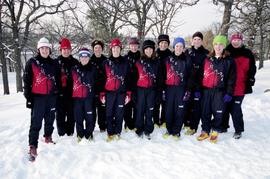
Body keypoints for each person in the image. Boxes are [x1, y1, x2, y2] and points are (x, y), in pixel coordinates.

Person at [23, 37, 60, 161]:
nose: (44, 50)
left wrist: (57, 92)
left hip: (51, 97)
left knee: (50, 119)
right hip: (37, 97)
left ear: (49, 49)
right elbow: (27, 82)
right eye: (42, 48)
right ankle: (33, 146)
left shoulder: (54, 63)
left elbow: (58, 80)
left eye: (46, 48)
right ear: (38, 49)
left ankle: (48, 136)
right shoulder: (32, 62)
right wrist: (28, 98)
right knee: (36, 122)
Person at [197, 35, 236, 143]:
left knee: (218, 112)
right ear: (213, 45)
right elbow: (200, 75)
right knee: (205, 111)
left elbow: (231, 79)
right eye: (216, 44)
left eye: (221, 44)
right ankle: (205, 130)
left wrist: (229, 92)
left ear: (224, 46)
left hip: (220, 91)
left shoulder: (229, 61)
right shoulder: (207, 59)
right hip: (206, 90)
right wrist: (198, 89)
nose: (218, 47)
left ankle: (215, 130)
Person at [221, 32, 257, 139]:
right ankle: (223, 126)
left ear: (241, 41)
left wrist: (251, 78)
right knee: (224, 107)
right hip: (227, 86)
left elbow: (252, 68)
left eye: (238, 40)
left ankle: (238, 130)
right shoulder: (226, 52)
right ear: (231, 41)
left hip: (240, 86)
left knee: (235, 109)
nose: (236, 42)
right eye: (234, 40)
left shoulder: (247, 53)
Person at [162, 37, 193, 140]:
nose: (179, 48)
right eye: (177, 46)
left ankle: (176, 131)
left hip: (181, 88)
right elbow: (162, 75)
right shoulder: (167, 59)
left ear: (183, 47)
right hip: (169, 88)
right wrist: (162, 89)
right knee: (168, 110)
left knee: (179, 111)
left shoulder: (187, 60)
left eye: (181, 46)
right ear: (174, 47)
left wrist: (188, 90)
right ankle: (169, 129)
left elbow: (190, 76)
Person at [102, 38, 132, 142]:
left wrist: (128, 93)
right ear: (111, 49)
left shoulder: (126, 62)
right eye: (114, 47)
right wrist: (102, 93)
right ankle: (110, 133)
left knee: (119, 113)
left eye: (118, 47)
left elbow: (129, 78)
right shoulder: (106, 62)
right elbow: (102, 78)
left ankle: (118, 132)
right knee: (109, 113)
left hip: (121, 93)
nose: (116, 49)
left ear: (120, 49)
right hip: (109, 93)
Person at [134, 39, 162, 139]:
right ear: (144, 50)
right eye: (146, 49)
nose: (148, 50)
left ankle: (148, 130)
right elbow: (134, 78)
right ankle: (139, 129)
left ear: (153, 50)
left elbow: (160, 79)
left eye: (150, 49)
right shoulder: (138, 62)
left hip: (152, 90)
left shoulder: (157, 62)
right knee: (140, 110)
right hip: (140, 90)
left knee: (150, 110)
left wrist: (159, 93)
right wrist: (134, 93)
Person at [184, 32, 209, 135]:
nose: (197, 41)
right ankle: (186, 123)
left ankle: (193, 127)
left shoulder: (206, 53)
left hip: (200, 85)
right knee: (187, 105)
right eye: (195, 39)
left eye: (199, 39)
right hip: (188, 84)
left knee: (197, 107)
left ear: (202, 41)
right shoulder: (187, 52)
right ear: (192, 41)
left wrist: (199, 87)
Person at [72, 48, 97, 142]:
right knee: (78, 116)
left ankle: (89, 133)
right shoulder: (74, 69)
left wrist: (97, 96)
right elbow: (71, 83)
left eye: (86, 56)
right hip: (77, 98)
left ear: (89, 57)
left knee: (89, 117)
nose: (84, 58)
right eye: (82, 56)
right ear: (79, 57)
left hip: (89, 98)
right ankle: (80, 133)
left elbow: (97, 83)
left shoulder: (93, 69)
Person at [56, 37, 78, 136]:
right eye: (64, 49)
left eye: (67, 49)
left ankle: (70, 131)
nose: (66, 51)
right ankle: (61, 132)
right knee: (60, 114)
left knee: (71, 114)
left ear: (70, 50)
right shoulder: (55, 62)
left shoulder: (75, 62)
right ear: (61, 50)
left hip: (72, 93)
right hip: (59, 93)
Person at [154, 34, 172, 127]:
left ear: (168, 44)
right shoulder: (154, 54)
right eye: (161, 43)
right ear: (159, 44)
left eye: (165, 43)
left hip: (167, 83)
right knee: (156, 102)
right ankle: (156, 121)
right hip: (156, 83)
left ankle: (164, 120)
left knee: (165, 103)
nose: (163, 45)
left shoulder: (171, 55)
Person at [124, 37, 141, 131]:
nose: (134, 47)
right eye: (132, 45)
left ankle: (135, 123)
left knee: (137, 107)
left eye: (135, 45)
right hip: (128, 87)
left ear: (138, 46)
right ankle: (128, 124)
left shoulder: (141, 57)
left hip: (139, 87)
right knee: (127, 106)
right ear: (129, 46)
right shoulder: (125, 58)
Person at [90, 40, 107, 132]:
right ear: (93, 49)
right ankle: (91, 126)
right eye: (96, 48)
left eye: (99, 48)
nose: (97, 49)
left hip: (103, 89)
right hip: (92, 89)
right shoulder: (89, 60)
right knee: (92, 109)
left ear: (102, 49)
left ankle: (102, 126)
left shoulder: (106, 60)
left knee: (102, 109)